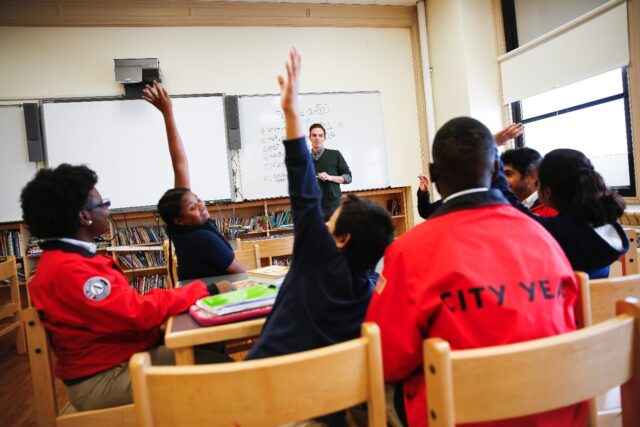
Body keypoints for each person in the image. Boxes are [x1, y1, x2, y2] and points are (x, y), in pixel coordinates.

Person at [366, 117, 588, 427]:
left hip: (461, 416)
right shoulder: (542, 236)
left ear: (433, 175)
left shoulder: (409, 249)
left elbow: (388, 360)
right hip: (559, 410)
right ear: (497, 171)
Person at [245, 48, 394, 425]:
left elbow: (301, 186)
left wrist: (291, 112)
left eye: (333, 221)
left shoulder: (315, 256)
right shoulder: (371, 290)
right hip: (327, 409)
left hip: (266, 397)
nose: (325, 223)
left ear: (340, 238)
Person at [21, 164, 229, 411]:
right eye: (103, 203)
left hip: (113, 362)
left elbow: (125, 309)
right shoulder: (72, 269)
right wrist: (203, 290)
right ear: (84, 216)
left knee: (215, 358)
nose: (107, 209)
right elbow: (136, 314)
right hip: (104, 379)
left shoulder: (65, 260)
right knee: (223, 374)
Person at [142, 82, 245, 281]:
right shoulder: (201, 238)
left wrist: (168, 113)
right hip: (214, 302)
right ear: (180, 220)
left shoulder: (183, 227)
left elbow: (180, 163)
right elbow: (241, 275)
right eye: (192, 206)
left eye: (197, 198)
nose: (200, 205)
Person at [532, 149, 628, 279]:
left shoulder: (555, 231)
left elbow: (510, 204)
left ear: (547, 192)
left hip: (566, 299)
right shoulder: (607, 226)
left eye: (538, 183)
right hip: (601, 299)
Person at [416, 123, 524, 219]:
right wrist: (423, 192)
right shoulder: (452, 202)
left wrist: (492, 144)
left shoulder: (499, 204)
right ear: (495, 170)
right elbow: (426, 211)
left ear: (434, 172)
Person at [309, 122, 353, 220]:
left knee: (335, 235)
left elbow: (348, 178)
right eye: (314, 135)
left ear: (324, 138)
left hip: (334, 207)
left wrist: (330, 177)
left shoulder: (335, 154)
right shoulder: (304, 160)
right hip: (313, 208)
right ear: (310, 138)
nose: (317, 138)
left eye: (320, 135)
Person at [501, 147, 556, 217]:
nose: (501, 178)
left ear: (532, 177)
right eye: (500, 173)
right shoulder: (503, 204)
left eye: (508, 174)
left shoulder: (551, 211)